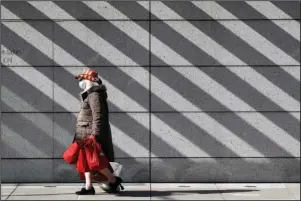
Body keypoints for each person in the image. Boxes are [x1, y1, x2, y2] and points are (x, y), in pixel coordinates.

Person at [73, 67, 123, 195]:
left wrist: (95, 135)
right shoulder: (89, 95)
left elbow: (98, 116)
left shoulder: (94, 95)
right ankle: (89, 187)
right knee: (85, 161)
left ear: (87, 80)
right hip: (84, 134)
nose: (80, 82)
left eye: (82, 79)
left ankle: (112, 179)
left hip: (90, 134)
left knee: (95, 161)